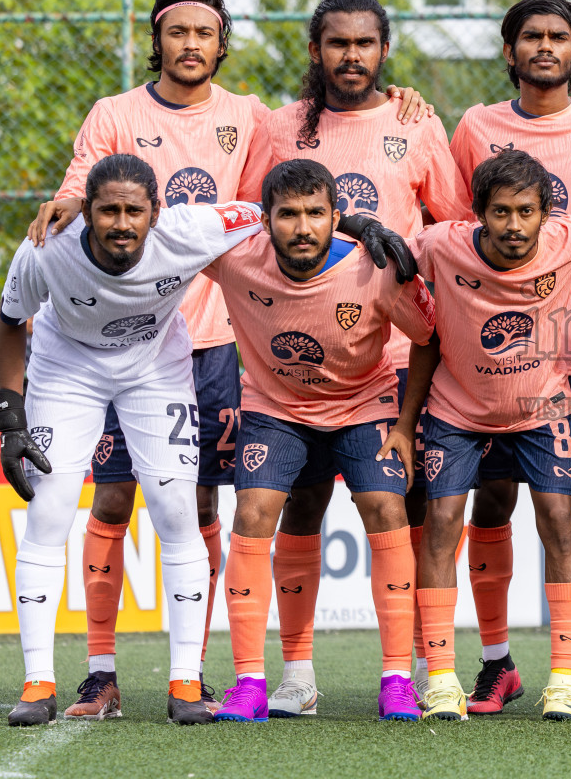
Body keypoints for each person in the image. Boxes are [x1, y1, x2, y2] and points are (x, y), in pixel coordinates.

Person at [24, 0, 429, 718]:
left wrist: (397, 114)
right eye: (175, 32)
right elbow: (81, 189)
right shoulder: (114, 114)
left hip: (217, 340)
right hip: (132, 332)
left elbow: (305, 185)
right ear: (157, 39)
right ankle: (101, 669)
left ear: (220, 43)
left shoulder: (254, 117)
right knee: (113, 497)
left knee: (197, 504)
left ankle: (196, 670)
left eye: (202, 33)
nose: (189, 45)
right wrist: (66, 204)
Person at [252, 0, 467, 716]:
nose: (352, 55)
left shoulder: (416, 121)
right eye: (337, 42)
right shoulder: (280, 127)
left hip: (400, 357)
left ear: (384, 50)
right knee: (302, 507)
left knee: (402, 511)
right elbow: (254, 225)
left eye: (365, 43)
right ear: (316, 50)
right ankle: (296, 676)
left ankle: (407, 668)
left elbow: (454, 226)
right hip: (302, 361)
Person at [0, 155, 268, 726]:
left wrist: (359, 226)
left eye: (133, 210)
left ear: (156, 212)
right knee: (49, 511)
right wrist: (10, 416)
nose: (122, 222)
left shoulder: (191, 230)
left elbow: (280, 211)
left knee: (176, 512)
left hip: (155, 370)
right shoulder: (46, 248)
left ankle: (185, 683)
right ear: (85, 212)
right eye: (108, 210)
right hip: (67, 369)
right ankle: (37, 682)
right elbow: (9, 319)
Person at [445, 0, 571, 715]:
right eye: (531, 36)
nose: (545, 47)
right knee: (493, 503)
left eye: (559, 37)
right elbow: (464, 229)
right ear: (509, 50)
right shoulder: (475, 128)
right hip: (503, 364)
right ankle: (499, 662)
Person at [205, 160, 434, 724]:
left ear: (336, 217)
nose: (302, 228)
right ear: (264, 220)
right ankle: (264, 682)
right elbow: (171, 227)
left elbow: (428, 337)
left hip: (364, 405)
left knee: (386, 505)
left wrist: (404, 425)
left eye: (316, 214)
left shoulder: (375, 270)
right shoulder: (234, 257)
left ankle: (398, 679)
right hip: (275, 408)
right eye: (287, 215)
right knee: (257, 511)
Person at [404, 150, 571, 722]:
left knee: (559, 520)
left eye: (526, 212)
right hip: (457, 410)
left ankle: (563, 679)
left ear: (546, 214)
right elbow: (387, 258)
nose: (515, 226)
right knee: (441, 524)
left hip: (543, 409)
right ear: (478, 214)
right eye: (501, 212)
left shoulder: (570, 240)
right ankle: (440, 678)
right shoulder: (441, 245)